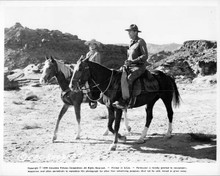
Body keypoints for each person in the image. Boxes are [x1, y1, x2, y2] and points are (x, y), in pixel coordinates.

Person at [113, 24, 149, 109]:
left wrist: (132, 61)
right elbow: (130, 56)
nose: (128, 33)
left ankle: (127, 101)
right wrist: (127, 62)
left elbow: (145, 56)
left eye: (130, 32)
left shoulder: (141, 41)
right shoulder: (131, 43)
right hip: (130, 66)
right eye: (128, 32)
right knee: (118, 76)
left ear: (136, 32)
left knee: (129, 78)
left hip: (139, 66)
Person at [84, 39, 102, 109]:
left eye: (93, 44)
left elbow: (97, 65)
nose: (91, 46)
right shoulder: (88, 54)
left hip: (94, 72)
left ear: (95, 45)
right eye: (90, 44)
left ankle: (94, 99)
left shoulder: (97, 54)